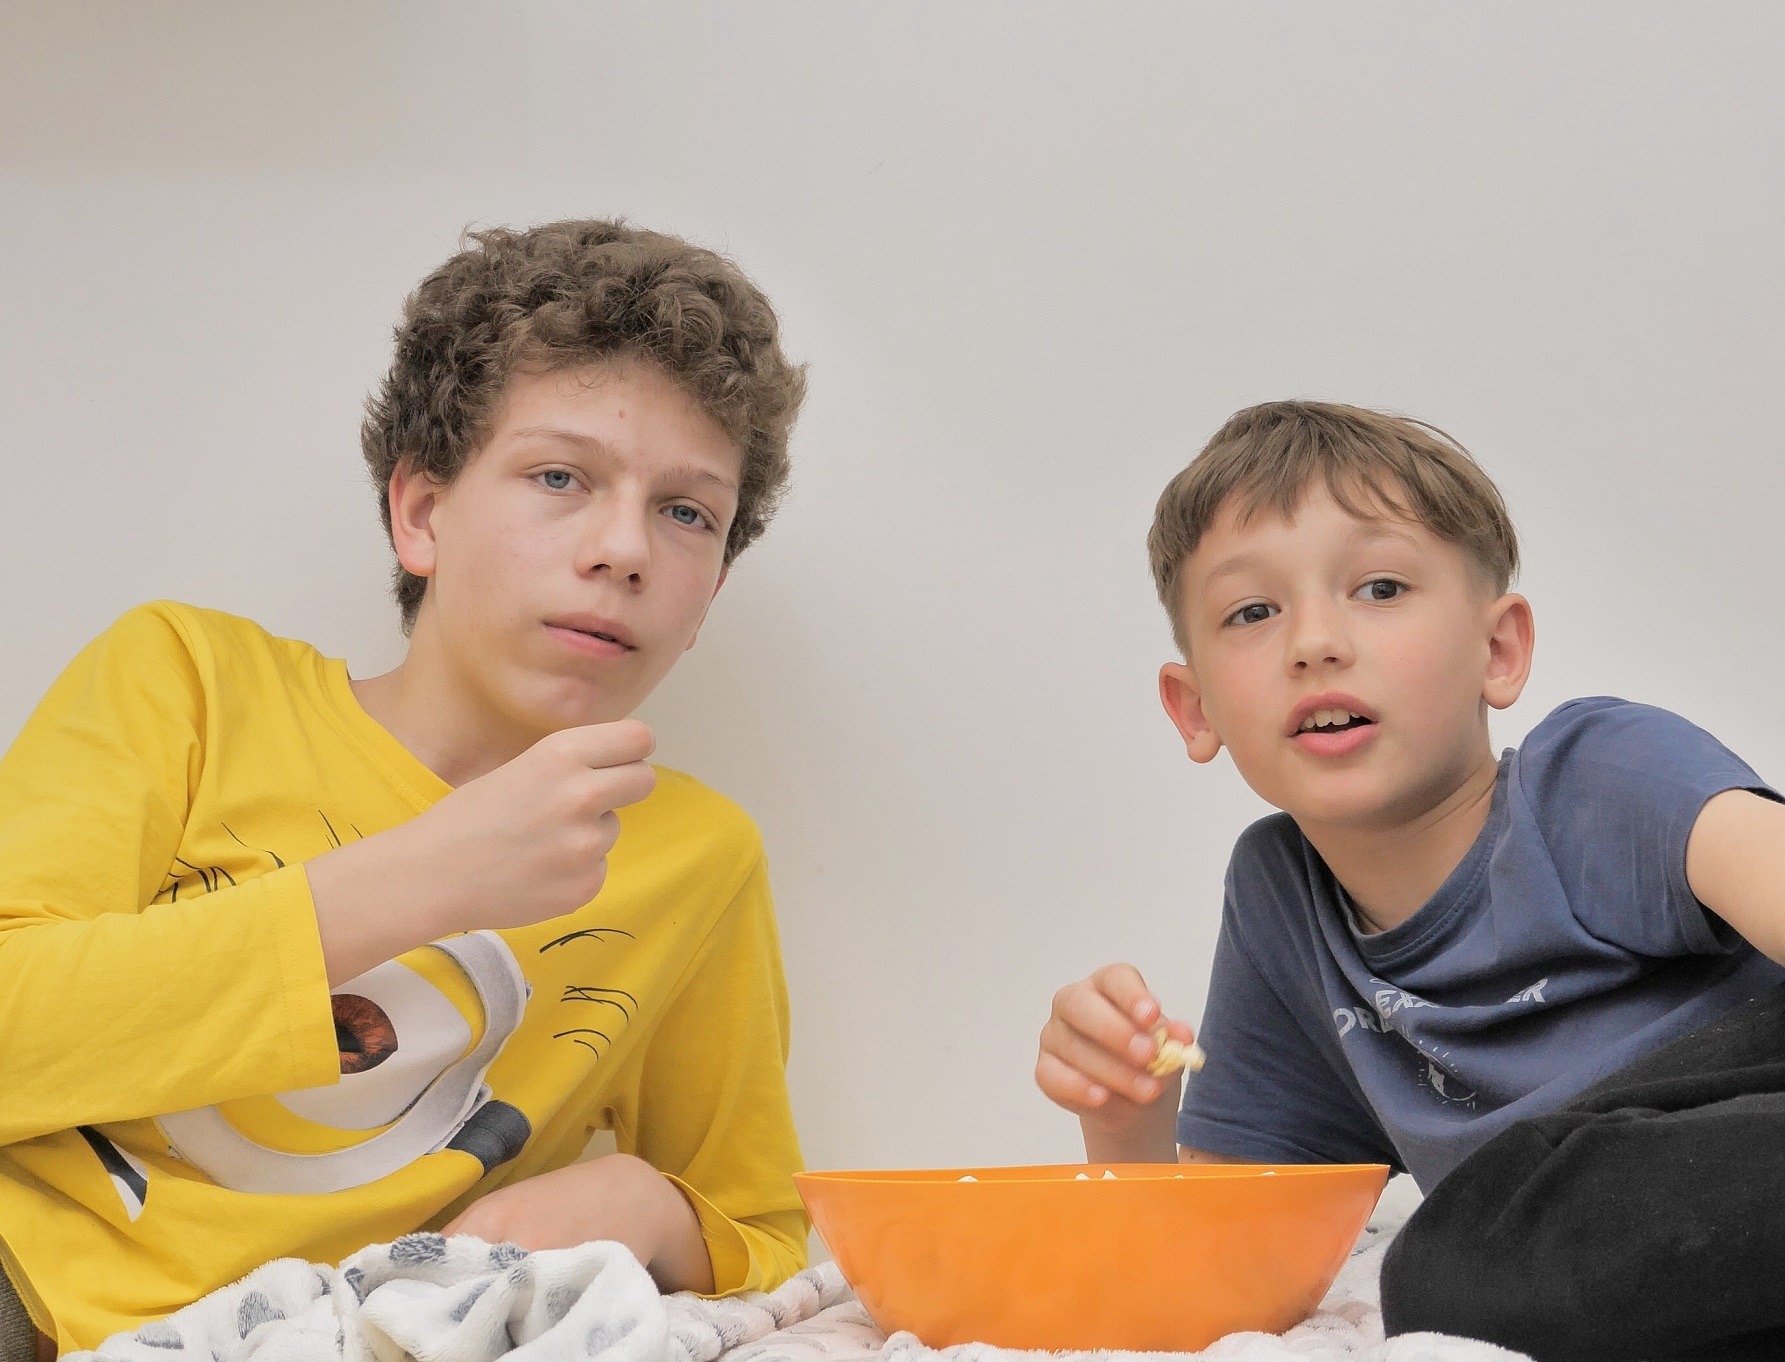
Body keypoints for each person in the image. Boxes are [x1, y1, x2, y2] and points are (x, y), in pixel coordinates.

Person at [0, 219, 811, 1357]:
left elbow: (760, 1225)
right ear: (420, 513)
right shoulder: (186, 678)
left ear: (710, 587)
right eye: (561, 476)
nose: (624, 548)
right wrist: (417, 881)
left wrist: (648, 1205)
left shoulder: (698, 858)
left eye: (688, 513)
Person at [1034, 401, 1785, 1357]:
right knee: (1460, 1270)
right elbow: (1225, 1279)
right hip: (1615, 1241)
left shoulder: (1598, 775)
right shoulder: (1282, 906)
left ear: (1497, 650)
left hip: (1744, 1091)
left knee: (1466, 1258)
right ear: (1194, 709)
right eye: (1252, 612)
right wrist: (1125, 1122)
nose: (1313, 641)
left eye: (1379, 588)